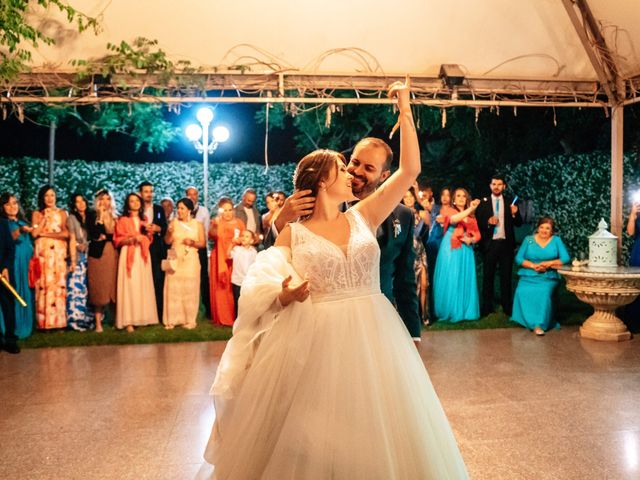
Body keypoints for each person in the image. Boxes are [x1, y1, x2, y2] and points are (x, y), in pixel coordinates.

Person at [204, 82, 468, 479]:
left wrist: (405, 107)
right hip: (318, 337)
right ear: (323, 181)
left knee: (382, 423)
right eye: (344, 168)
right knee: (319, 430)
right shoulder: (293, 231)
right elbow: (263, 282)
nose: (352, 174)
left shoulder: (364, 214)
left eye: (358, 168)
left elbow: (410, 170)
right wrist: (284, 295)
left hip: (376, 332)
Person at [273, 142, 422, 345]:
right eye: (353, 164)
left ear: (384, 176)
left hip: (378, 323)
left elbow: (405, 278)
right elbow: (271, 275)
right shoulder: (298, 221)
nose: (354, 173)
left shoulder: (395, 215)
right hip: (322, 331)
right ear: (323, 182)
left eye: (369, 168)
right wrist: (280, 222)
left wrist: (413, 332)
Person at [511, 216, 570, 335]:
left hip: (548, 276)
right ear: (538, 228)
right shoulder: (529, 240)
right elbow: (518, 258)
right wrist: (533, 266)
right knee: (522, 291)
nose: (544, 230)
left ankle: (539, 324)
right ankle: (527, 320)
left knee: (543, 293)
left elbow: (565, 258)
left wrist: (549, 263)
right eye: (541, 227)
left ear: (552, 231)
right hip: (529, 274)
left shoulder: (556, 240)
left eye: (547, 228)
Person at [475, 174, 523, 316]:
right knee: (488, 277)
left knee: (506, 276)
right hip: (490, 245)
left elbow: (519, 223)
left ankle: (507, 306)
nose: (496, 187)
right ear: (490, 186)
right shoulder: (483, 203)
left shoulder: (510, 203)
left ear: (504, 186)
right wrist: (488, 222)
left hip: (506, 245)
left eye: (499, 184)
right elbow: (478, 223)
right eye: (494, 184)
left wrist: (515, 213)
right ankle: (487, 306)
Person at [433, 188, 481, 322]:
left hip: (466, 250)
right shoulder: (449, 210)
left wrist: (471, 240)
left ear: (467, 199)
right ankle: (450, 310)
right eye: (458, 196)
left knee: (464, 278)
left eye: (464, 196)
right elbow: (454, 220)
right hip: (451, 247)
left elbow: (477, 234)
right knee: (452, 277)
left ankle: (466, 311)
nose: (461, 198)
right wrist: (470, 209)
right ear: (453, 199)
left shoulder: (471, 216)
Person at [114, 193, 159, 332]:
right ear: (128, 204)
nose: (135, 203)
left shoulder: (144, 219)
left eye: (137, 201)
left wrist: (149, 234)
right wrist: (133, 239)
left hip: (143, 254)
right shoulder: (122, 220)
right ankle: (128, 320)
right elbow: (118, 240)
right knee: (130, 284)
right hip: (129, 252)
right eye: (132, 201)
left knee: (142, 283)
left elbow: (148, 238)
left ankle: (143, 317)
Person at [163, 198, 205, 330]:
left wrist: (192, 242)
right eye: (178, 208)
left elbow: (203, 243)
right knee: (173, 287)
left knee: (190, 288)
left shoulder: (197, 224)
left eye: (182, 208)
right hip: (175, 257)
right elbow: (167, 241)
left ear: (189, 210)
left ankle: (189, 319)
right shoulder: (173, 222)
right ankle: (172, 319)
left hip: (190, 258)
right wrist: (169, 232)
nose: (179, 211)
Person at [31, 185, 69, 330]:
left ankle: (59, 323)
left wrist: (46, 234)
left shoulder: (62, 213)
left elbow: (66, 234)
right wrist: (43, 221)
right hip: (43, 253)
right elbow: (34, 234)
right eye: (46, 195)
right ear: (42, 197)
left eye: (52, 195)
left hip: (58, 252)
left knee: (58, 285)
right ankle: (44, 323)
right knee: (44, 285)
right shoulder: (37, 213)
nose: (49, 198)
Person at [0, 193, 34, 339]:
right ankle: (12, 328)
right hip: (13, 262)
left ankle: (26, 324)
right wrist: (20, 231)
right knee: (14, 293)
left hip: (27, 262)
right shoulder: (4, 223)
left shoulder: (22, 221)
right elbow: (9, 240)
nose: (12, 207)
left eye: (14, 203)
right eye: (8, 204)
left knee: (26, 291)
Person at [209, 197, 245, 326]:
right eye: (225, 210)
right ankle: (223, 317)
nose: (228, 213)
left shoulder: (239, 223)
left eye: (230, 210)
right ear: (220, 211)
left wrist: (239, 241)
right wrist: (215, 225)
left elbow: (244, 238)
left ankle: (236, 316)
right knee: (221, 287)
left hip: (235, 259)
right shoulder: (217, 221)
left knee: (234, 287)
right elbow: (212, 235)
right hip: (219, 257)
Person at [87, 189, 118, 333]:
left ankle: (115, 319)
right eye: (102, 199)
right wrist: (100, 217)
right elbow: (94, 234)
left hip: (112, 253)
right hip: (97, 255)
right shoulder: (92, 215)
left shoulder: (116, 217)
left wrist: (106, 236)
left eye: (108, 199)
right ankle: (98, 323)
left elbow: (114, 236)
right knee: (99, 285)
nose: (105, 202)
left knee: (112, 284)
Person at [138, 181, 167, 320]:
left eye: (151, 191)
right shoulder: (136, 210)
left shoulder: (159, 209)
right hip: (139, 248)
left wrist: (158, 229)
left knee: (157, 280)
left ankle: (159, 314)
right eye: (146, 191)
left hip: (155, 249)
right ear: (140, 193)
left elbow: (164, 226)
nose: (149, 194)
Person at [66, 193, 95, 331]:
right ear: (74, 205)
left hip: (91, 256)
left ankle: (89, 319)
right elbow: (72, 239)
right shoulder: (72, 218)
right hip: (78, 256)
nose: (81, 204)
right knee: (77, 290)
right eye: (77, 202)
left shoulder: (91, 217)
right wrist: (73, 260)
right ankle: (75, 321)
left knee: (89, 288)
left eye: (82, 201)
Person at [402, 188, 429, 323]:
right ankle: (411, 316)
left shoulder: (422, 213)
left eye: (411, 196)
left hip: (420, 253)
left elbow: (429, 224)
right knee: (411, 288)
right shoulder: (401, 215)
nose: (408, 199)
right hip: (408, 254)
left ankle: (424, 316)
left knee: (424, 285)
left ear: (414, 198)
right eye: (405, 197)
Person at [425, 187, 452, 323]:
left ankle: (446, 305)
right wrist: (417, 188)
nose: (445, 197)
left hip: (446, 246)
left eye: (448, 195)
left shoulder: (454, 211)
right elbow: (423, 203)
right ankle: (433, 309)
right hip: (433, 245)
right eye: (443, 195)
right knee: (433, 276)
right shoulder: (435, 209)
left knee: (445, 277)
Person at [186, 186, 212, 319]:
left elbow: (206, 230)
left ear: (197, 196)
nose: (192, 197)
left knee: (203, 278)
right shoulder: (180, 210)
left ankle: (207, 309)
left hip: (200, 247)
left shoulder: (204, 211)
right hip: (185, 248)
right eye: (189, 194)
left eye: (194, 194)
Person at [0, 215, 19, 354]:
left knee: (8, 305)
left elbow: (10, 248)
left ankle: (11, 339)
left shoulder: (3, 224)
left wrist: (6, 267)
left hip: (3, 273)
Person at [228, 229, 258, 316]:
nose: (244, 238)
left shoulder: (254, 252)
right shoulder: (237, 249)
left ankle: (246, 321)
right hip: (237, 281)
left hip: (248, 281)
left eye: (247, 236)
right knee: (238, 302)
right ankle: (238, 321)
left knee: (247, 302)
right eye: (242, 236)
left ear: (252, 240)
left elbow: (255, 266)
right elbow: (228, 254)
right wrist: (232, 243)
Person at [624, 202, 640, 330]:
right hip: (638, 253)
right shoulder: (637, 214)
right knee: (636, 286)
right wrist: (633, 215)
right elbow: (630, 233)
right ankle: (634, 322)